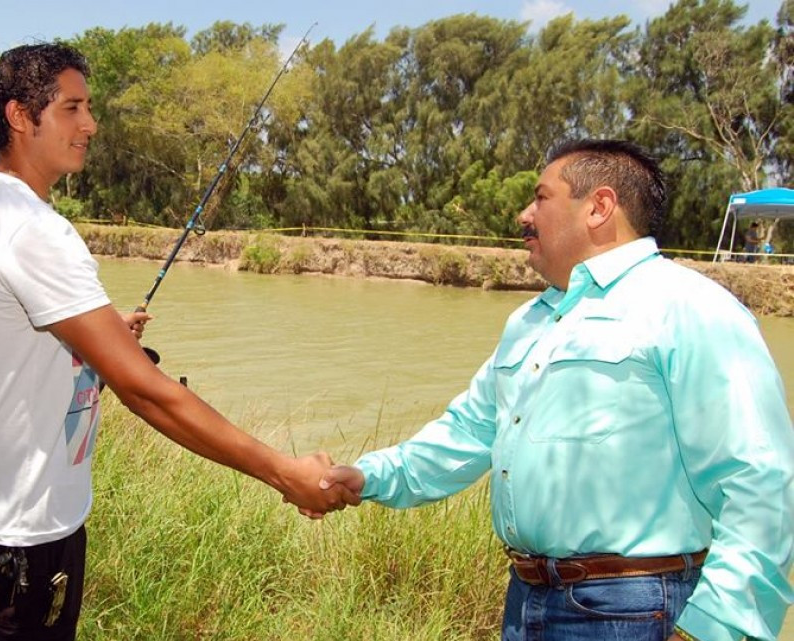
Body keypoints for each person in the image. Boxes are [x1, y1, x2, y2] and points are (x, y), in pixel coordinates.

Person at [0, 43, 354, 641]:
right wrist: (282, 470)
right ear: (20, 117)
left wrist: (102, 340)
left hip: (2, 505)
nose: (90, 123)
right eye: (72, 108)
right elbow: (147, 392)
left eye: (89, 107)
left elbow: (14, 336)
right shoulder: (30, 228)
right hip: (27, 524)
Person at [316, 139, 794, 641]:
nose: (525, 214)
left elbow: (760, 480)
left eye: (541, 198)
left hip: (635, 610)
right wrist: (365, 477)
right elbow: (468, 433)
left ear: (599, 207)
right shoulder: (532, 320)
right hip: (526, 600)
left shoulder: (690, 308)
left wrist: (711, 629)